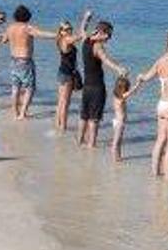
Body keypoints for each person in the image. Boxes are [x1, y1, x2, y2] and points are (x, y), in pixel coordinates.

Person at [132, 30, 168, 181]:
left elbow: (145, 77)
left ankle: (155, 173)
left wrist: (139, 78)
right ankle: (167, 178)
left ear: (167, 43)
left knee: (160, 140)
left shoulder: (160, 61)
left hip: (162, 105)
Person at [77, 13, 128, 147]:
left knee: (84, 117)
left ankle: (79, 142)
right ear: (102, 32)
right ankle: (91, 146)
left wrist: (86, 18)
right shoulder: (98, 46)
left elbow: (82, 29)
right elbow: (105, 60)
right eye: (109, 35)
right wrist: (119, 69)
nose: (109, 38)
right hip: (97, 88)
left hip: (86, 87)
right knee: (94, 119)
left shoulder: (85, 40)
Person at [1, 5, 57, 119]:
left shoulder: (10, 27)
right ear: (27, 17)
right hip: (25, 61)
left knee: (15, 87)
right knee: (29, 88)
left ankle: (15, 112)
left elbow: (4, 41)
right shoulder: (27, 28)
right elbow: (42, 34)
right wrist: (57, 35)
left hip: (13, 60)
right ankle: (22, 113)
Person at [54, 18, 85, 131]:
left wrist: (85, 23)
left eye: (70, 28)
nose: (68, 31)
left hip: (62, 72)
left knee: (61, 101)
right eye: (66, 29)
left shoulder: (61, 40)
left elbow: (79, 36)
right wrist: (85, 20)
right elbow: (80, 36)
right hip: (67, 74)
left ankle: (58, 124)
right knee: (65, 102)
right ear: (61, 31)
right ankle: (63, 127)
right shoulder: (66, 40)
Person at [111, 76, 139, 162]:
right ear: (124, 89)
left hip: (117, 121)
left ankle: (118, 156)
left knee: (119, 140)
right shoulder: (121, 98)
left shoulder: (116, 96)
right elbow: (132, 92)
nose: (128, 89)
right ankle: (114, 157)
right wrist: (138, 83)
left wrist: (124, 76)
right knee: (116, 141)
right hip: (120, 122)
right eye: (127, 88)